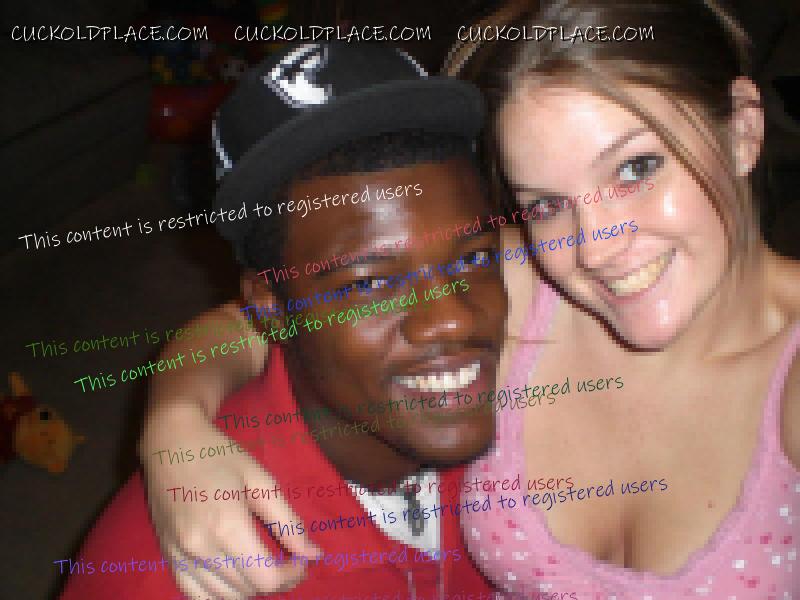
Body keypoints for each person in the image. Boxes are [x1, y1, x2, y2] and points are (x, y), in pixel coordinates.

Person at [140, 1, 800, 598]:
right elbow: (248, 324)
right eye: (545, 204)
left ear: (743, 130)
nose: (596, 248)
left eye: (636, 168)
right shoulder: (524, 282)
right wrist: (176, 427)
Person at [59, 43, 507, 600]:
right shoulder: (174, 571)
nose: (453, 321)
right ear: (270, 305)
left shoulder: (543, 356)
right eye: (369, 284)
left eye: (473, 258)